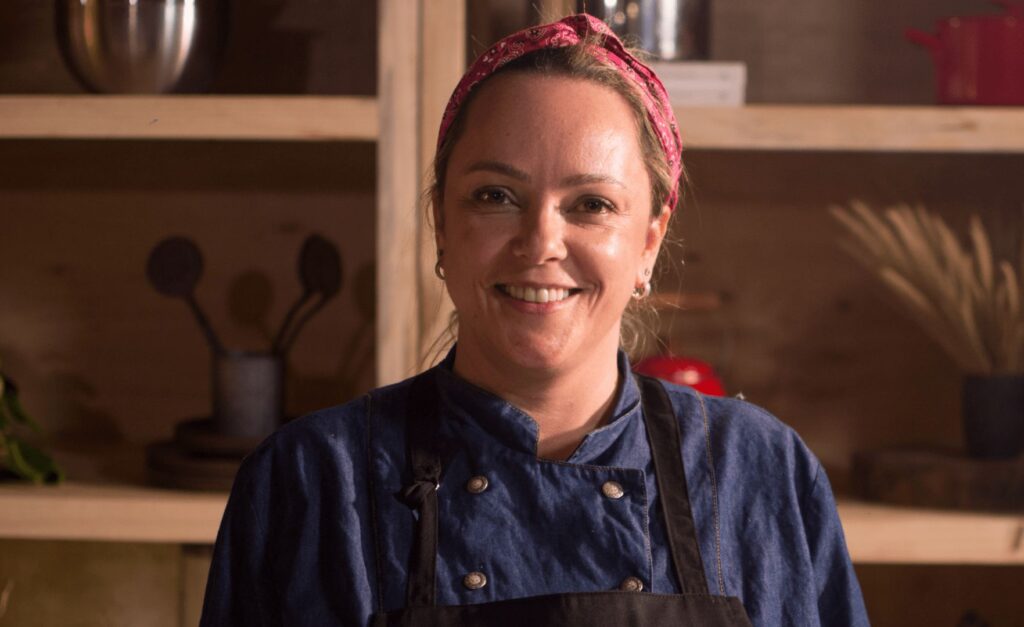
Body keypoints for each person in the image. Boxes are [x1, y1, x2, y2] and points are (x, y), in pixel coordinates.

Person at [200, 14, 869, 627]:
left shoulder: (762, 472)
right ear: (442, 223)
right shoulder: (314, 481)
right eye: (496, 195)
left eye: (591, 203)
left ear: (649, 241)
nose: (540, 241)